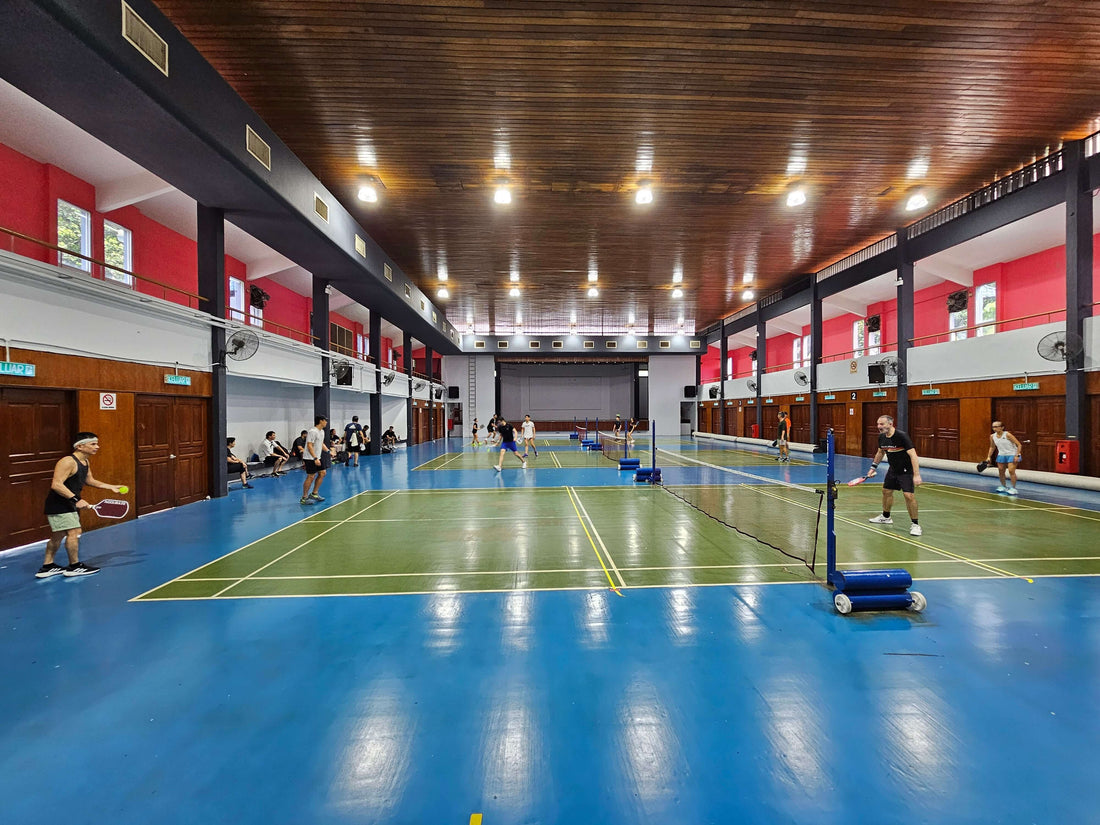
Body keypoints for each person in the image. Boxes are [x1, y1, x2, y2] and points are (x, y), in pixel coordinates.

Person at [37, 432, 125, 578]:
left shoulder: (85, 461)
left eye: (97, 443)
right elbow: (56, 485)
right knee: (74, 532)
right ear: (80, 446)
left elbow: (89, 480)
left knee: (57, 536)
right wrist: (76, 499)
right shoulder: (67, 461)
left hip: (68, 503)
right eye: (93, 444)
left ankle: (47, 566)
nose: (97, 447)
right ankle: (74, 566)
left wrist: (110, 486)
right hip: (59, 504)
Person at [865, 414, 923, 536]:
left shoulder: (901, 436)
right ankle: (886, 517)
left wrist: (916, 475)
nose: (879, 427)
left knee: (908, 496)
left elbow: (913, 455)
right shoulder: (881, 437)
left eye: (882, 424)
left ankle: (915, 524)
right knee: (886, 491)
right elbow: (880, 452)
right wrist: (872, 468)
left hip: (906, 470)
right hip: (893, 470)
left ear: (890, 424)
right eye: (878, 424)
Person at [987, 420, 1023, 495]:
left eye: (996, 427)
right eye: (993, 427)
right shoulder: (992, 436)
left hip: (1012, 454)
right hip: (1001, 455)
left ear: (1002, 427)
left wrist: (1017, 455)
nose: (994, 428)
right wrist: (988, 457)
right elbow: (992, 447)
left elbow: (1019, 445)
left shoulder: (1008, 435)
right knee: (1001, 471)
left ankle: (1013, 488)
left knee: (1011, 471)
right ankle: (1003, 486)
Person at [300, 415, 327, 505]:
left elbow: (321, 443)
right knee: (311, 476)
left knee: (322, 473)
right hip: (310, 457)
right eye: (325, 421)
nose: (326, 422)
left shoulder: (322, 431)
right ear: (320, 421)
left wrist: (328, 451)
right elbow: (309, 445)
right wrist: (315, 458)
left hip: (317, 457)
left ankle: (314, 493)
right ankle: (304, 497)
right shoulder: (312, 431)